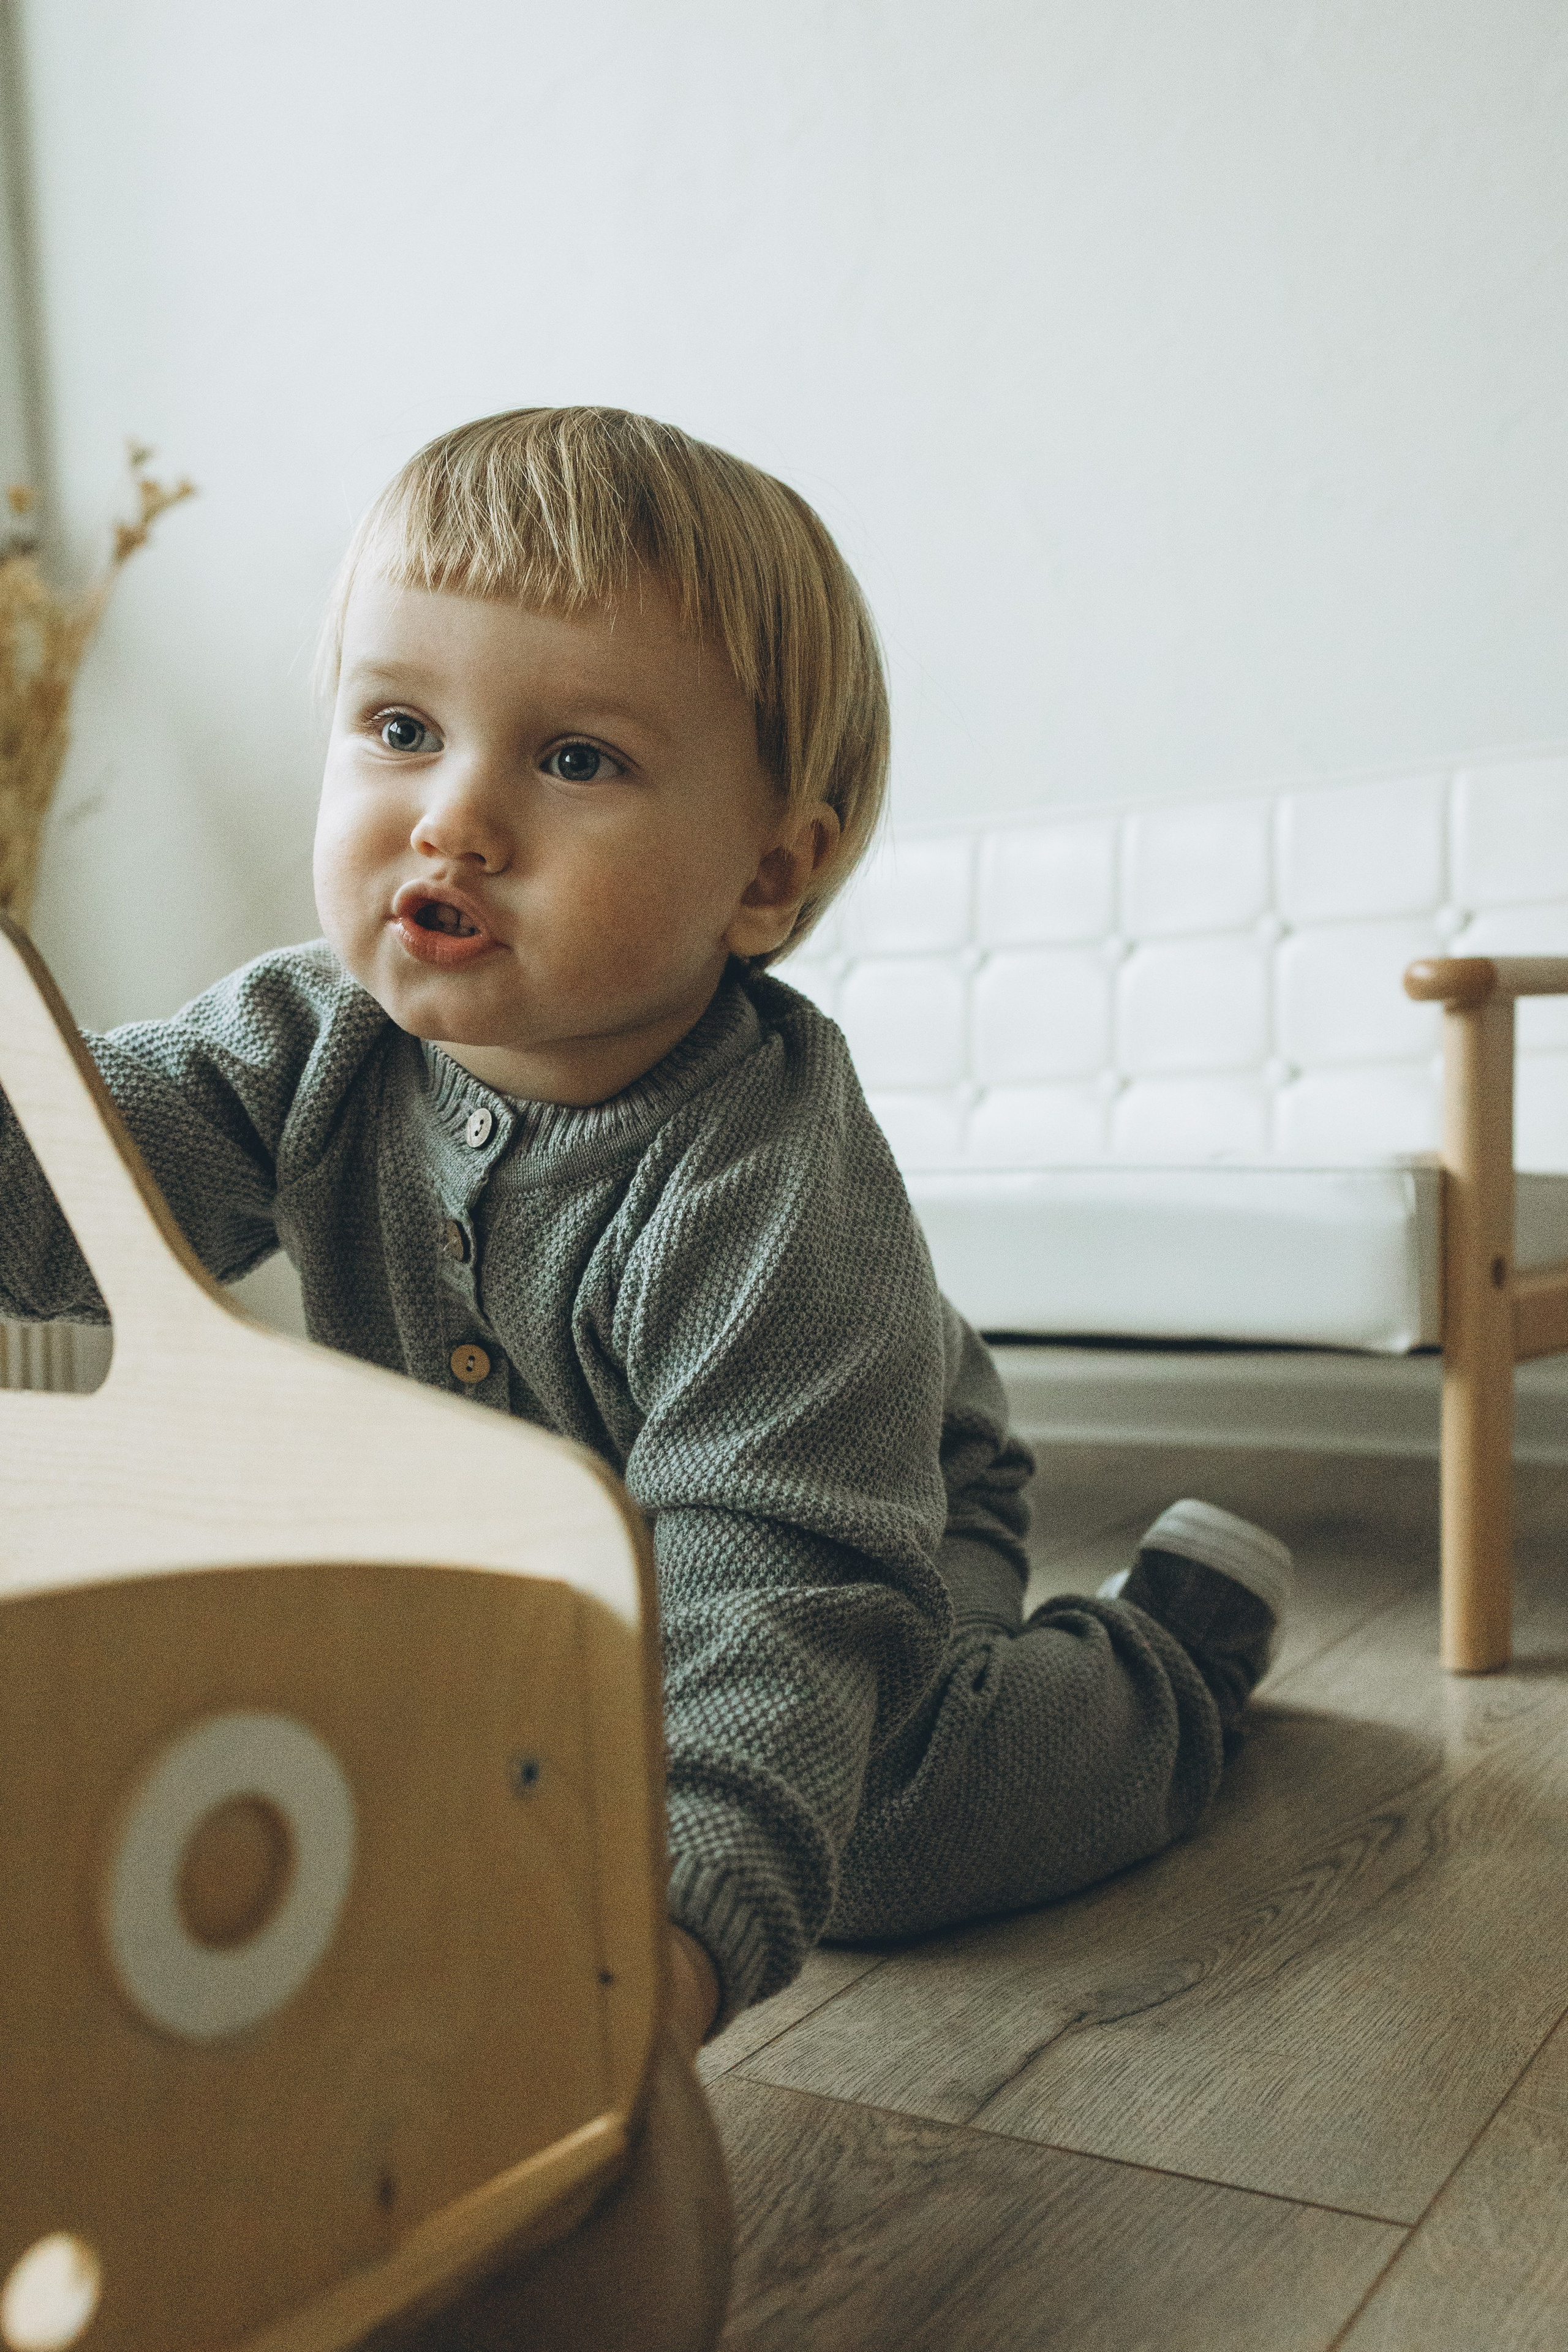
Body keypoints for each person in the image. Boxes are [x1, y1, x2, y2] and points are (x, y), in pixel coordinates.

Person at [0, 406, 1291, 2060]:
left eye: (574, 760)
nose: (453, 819)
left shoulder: (761, 1188)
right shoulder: (302, 1042)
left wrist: (664, 1938)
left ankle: (1168, 1670)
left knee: (864, 1835)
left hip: (853, 1507)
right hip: (529, 1557)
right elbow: (76, 1179)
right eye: (399, 725)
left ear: (766, 877)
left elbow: (776, 1585)